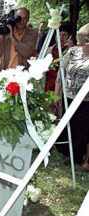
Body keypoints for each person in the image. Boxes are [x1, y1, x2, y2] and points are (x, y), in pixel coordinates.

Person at [54, 23, 89, 172]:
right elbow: (60, 73)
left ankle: (85, 160)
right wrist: (56, 95)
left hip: (87, 100)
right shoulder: (73, 52)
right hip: (69, 96)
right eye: (84, 41)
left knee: (85, 131)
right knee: (70, 126)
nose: (85, 44)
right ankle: (70, 156)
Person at [0, 7, 38, 71]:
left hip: (21, 74)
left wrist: (12, 36)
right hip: (5, 72)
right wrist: (0, 38)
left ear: (28, 19)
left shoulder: (32, 33)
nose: (21, 21)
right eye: (19, 18)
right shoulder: (6, 30)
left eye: (24, 18)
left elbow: (27, 52)